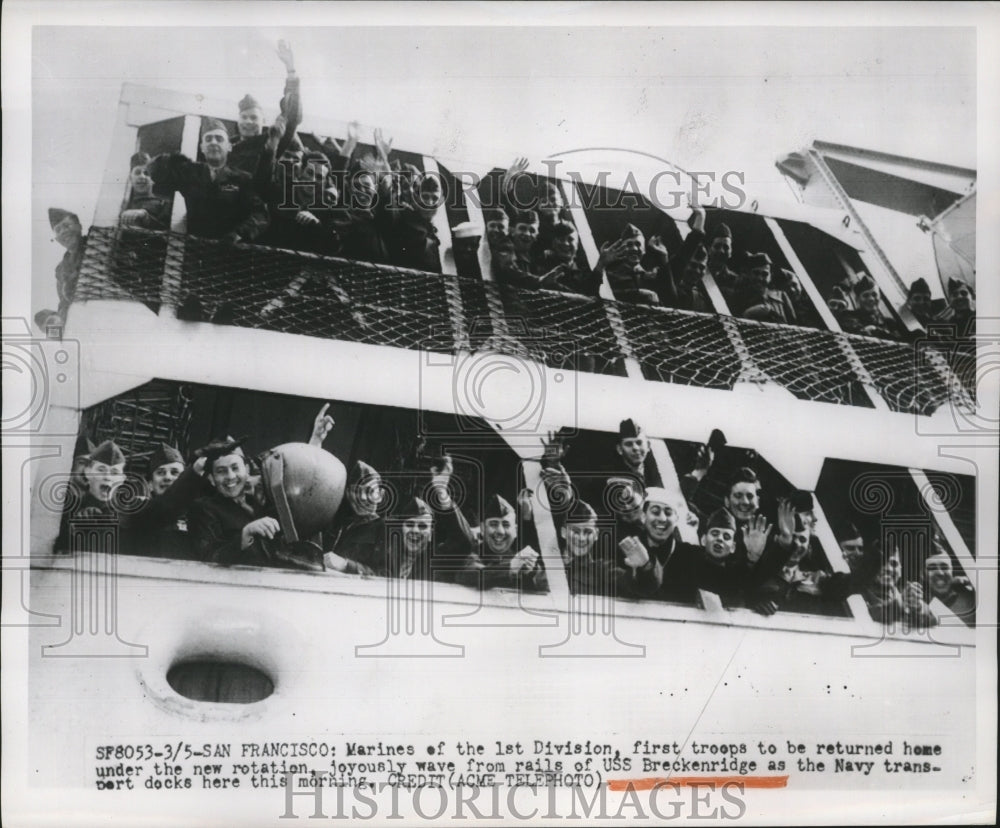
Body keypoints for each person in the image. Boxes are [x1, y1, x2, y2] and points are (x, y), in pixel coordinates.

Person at [147, 118, 269, 243]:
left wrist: (239, 234)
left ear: (229, 147)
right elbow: (155, 171)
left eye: (219, 139)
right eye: (208, 139)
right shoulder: (190, 172)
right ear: (202, 148)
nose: (213, 142)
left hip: (230, 251)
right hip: (195, 249)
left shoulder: (242, 179)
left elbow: (260, 216)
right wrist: (177, 161)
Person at [119, 444, 211, 560]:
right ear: (150, 485)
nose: (167, 477)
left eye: (175, 472)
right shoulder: (138, 510)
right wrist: (195, 471)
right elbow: (164, 508)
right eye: (161, 472)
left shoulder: (201, 514)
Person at [227, 40, 302, 176]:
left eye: (254, 117)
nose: (248, 122)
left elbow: (291, 116)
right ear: (238, 120)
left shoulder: (270, 141)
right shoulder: (227, 146)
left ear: (263, 121)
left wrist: (290, 69)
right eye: (244, 117)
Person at [561, 499, 660, 599]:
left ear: (596, 535)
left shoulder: (602, 570)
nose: (582, 538)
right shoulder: (547, 566)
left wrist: (646, 566)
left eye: (588, 532)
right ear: (564, 532)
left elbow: (642, 588)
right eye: (575, 532)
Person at [459, 494, 548, 593]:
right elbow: (470, 574)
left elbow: (547, 587)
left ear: (515, 530)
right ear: (483, 528)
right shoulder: (472, 554)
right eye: (493, 524)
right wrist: (510, 568)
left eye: (506, 525)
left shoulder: (521, 559)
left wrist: (531, 572)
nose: (500, 531)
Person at [55, 439, 127, 553]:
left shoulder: (127, 514)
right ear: (89, 472)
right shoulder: (69, 510)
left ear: (122, 479)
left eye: (114, 472)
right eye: (101, 470)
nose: (107, 477)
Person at [733, 252, 797, 324]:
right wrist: (747, 314)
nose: (760, 278)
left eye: (765, 274)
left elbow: (793, 324)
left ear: (770, 276)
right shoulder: (739, 297)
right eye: (756, 273)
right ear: (749, 274)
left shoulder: (781, 296)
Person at [48, 208, 86, 321]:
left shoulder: (98, 244)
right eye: (58, 230)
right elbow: (64, 303)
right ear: (56, 239)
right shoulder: (60, 270)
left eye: (66, 225)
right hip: (83, 317)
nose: (63, 232)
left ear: (79, 226)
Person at [119, 152, 172, 230]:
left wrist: (146, 216)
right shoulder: (122, 204)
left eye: (146, 173)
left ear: (153, 179)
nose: (142, 176)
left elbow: (166, 230)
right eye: (137, 173)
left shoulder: (164, 205)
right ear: (130, 178)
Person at [841, 274, 902, 340]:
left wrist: (875, 329)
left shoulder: (890, 323)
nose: (871, 299)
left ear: (880, 297)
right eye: (866, 295)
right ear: (857, 299)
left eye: (874, 294)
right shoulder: (848, 317)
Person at [923, 550, 976, 626]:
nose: (940, 573)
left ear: (952, 570)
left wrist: (971, 581)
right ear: (923, 574)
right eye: (932, 568)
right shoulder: (919, 603)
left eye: (944, 567)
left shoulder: (971, 600)